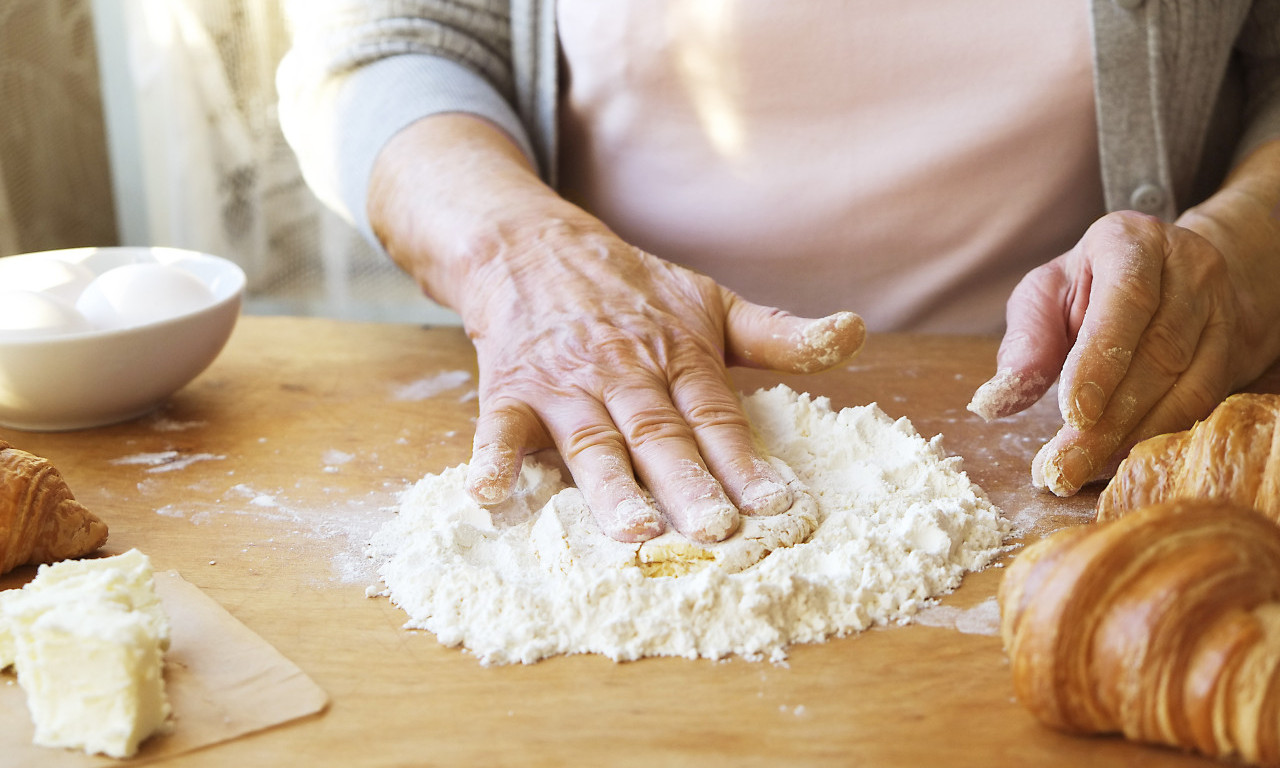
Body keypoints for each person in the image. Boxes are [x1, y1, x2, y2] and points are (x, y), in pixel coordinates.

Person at [277, 2, 1280, 544]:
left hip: (1085, 440)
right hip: (596, 396)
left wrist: (1237, 252)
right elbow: (381, 45)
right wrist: (522, 254)